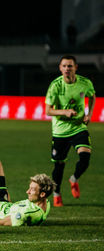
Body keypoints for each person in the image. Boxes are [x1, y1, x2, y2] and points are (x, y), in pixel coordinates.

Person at [45, 55, 96, 207]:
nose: (67, 69)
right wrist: (64, 112)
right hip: (60, 131)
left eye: (70, 66)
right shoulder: (56, 86)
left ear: (76, 68)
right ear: (60, 68)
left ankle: (74, 179)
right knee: (59, 166)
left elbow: (92, 96)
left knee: (85, 156)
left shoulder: (85, 83)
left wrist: (89, 114)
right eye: (64, 66)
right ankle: (57, 193)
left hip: (78, 127)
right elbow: (48, 111)